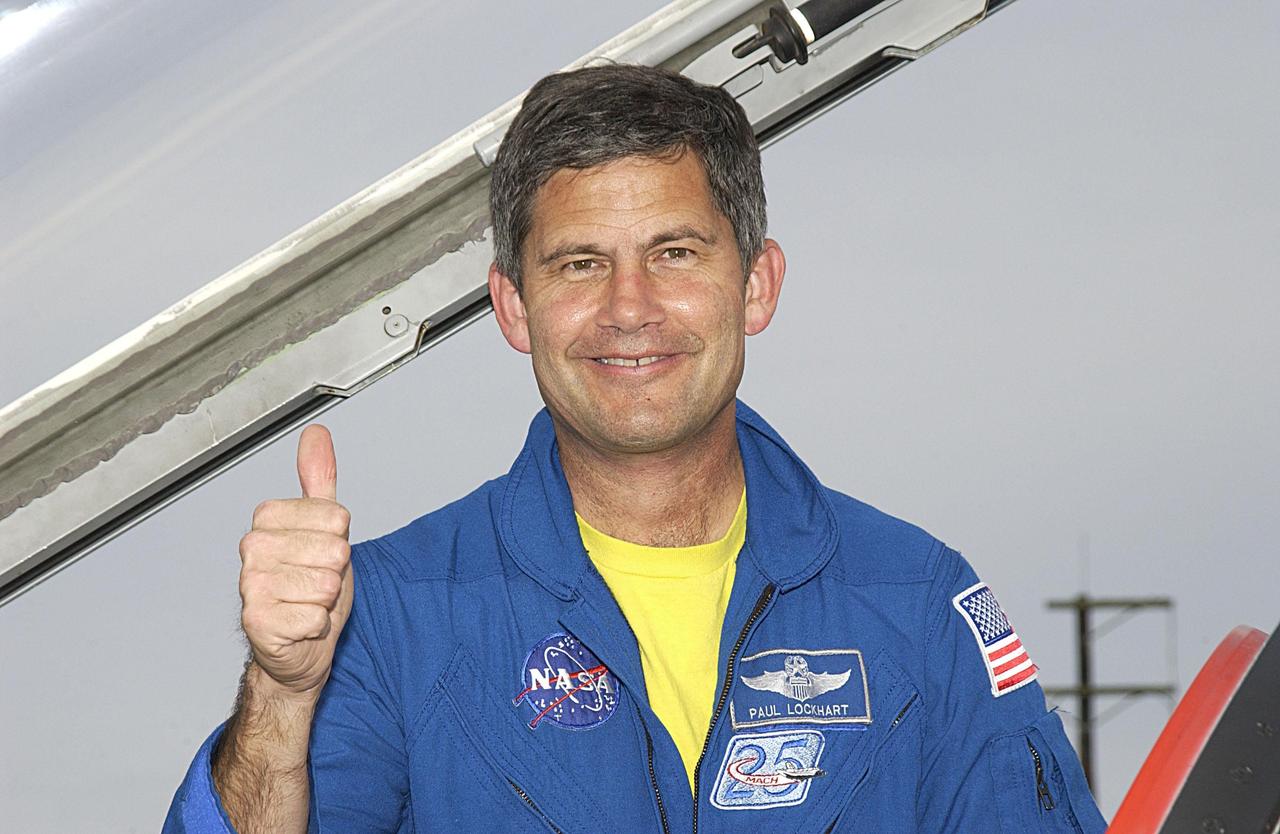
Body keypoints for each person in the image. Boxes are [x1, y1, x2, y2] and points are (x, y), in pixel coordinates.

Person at [164, 64, 1105, 833]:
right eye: (580, 263)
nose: (629, 309)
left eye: (676, 253)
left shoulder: (919, 602)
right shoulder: (394, 618)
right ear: (512, 306)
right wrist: (283, 693)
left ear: (757, 286)